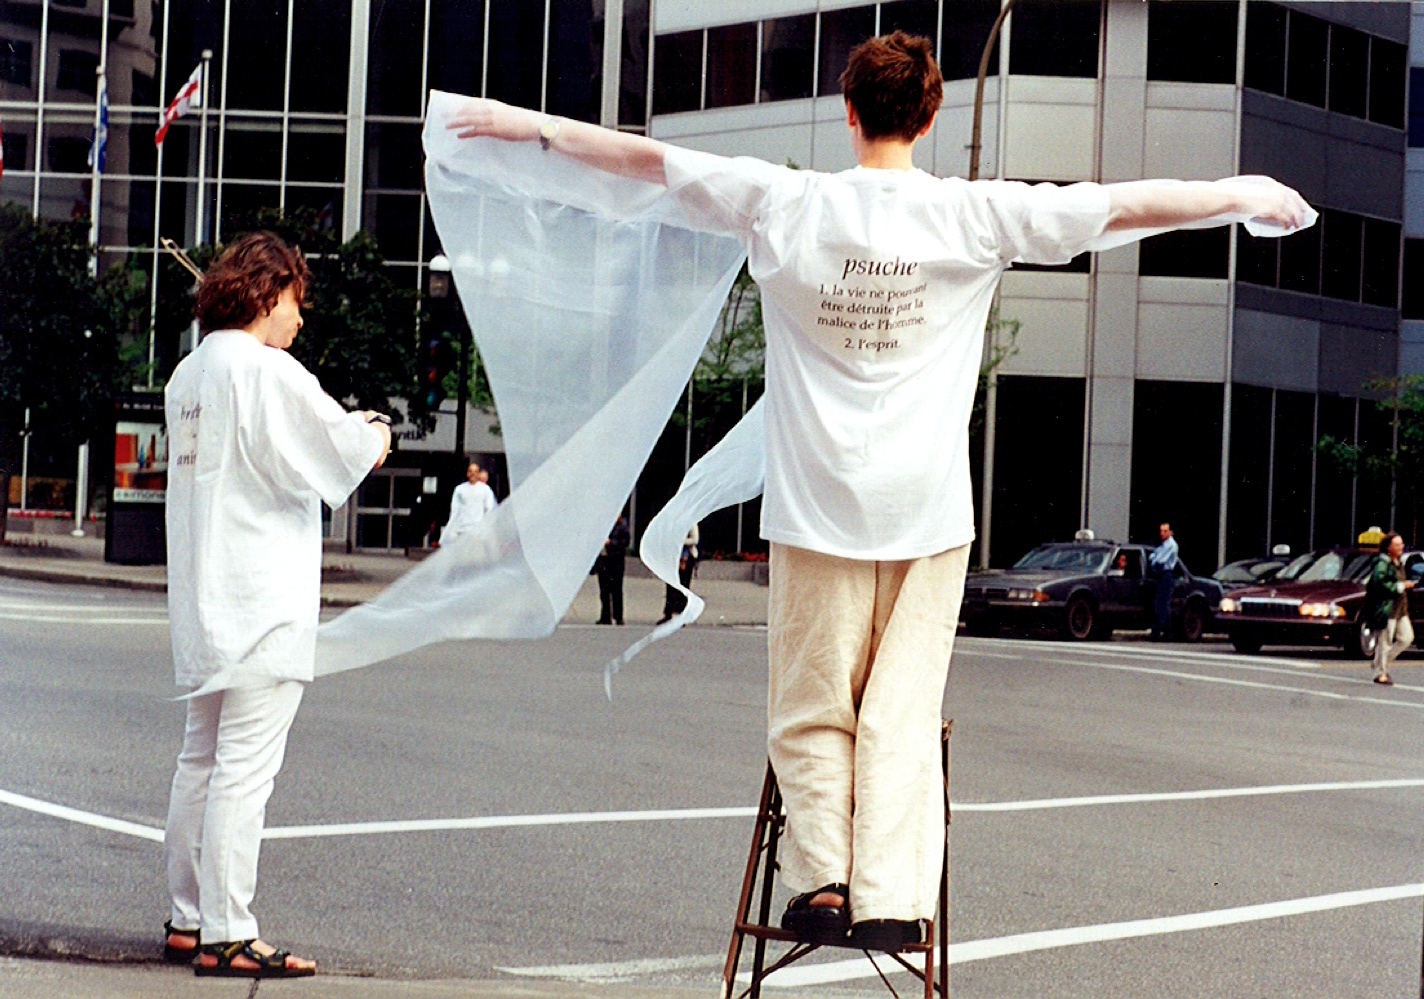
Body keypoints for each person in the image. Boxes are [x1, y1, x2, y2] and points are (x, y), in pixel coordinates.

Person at [448, 31, 1310, 949]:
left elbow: (647, 165)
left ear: (850, 112)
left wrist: (522, 126)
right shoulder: (973, 214)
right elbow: (1115, 207)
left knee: (814, 701)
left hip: (815, 503)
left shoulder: (786, 202)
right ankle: (892, 897)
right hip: (926, 511)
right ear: (929, 119)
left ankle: (821, 880)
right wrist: (1238, 195)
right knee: (900, 705)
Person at [161, 232, 391, 978]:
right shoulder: (267, 369)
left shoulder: (188, 374)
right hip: (262, 601)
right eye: (296, 300)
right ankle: (229, 931)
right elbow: (342, 451)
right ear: (266, 293)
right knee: (244, 769)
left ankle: (188, 918)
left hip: (206, 600)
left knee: (201, 759)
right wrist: (378, 430)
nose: (299, 317)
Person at [1365, 533, 1414, 686]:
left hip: (1400, 608)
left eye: (1401, 544)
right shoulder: (1382, 563)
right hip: (1387, 608)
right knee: (1384, 642)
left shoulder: (1398, 562)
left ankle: (1379, 663)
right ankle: (1380, 673)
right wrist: (1400, 586)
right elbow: (1378, 584)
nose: (1401, 547)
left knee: (1406, 638)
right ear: (1388, 547)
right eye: (1397, 545)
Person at [441, 456, 497, 543]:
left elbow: (489, 509)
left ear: (478, 474)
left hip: (478, 531)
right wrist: (451, 530)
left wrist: (485, 528)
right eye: (470, 471)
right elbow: (455, 511)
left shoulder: (485, 490)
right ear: (467, 473)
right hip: (462, 530)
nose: (473, 474)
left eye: (475, 471)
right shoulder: (459, 489)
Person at [658, 524, 700, 624]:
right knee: (670, 586)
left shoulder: (691, 524)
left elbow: (695, 540)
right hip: (672, 557)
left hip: (686, 558)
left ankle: (681, 615)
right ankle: (668, 613)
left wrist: (680, 540)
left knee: (683, 586)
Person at [596, 514, 630, 625]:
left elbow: (625, 542)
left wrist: (611, 543)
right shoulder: (603, 526)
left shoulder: (622, 526)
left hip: (616, 561)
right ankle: (605, 616)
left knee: (616, 589)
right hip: (604, 560)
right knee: (604, 590)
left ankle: (618, 616)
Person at [1148, 523, 1179, 641]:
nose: (1162, 533)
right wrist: (1154, 559)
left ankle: (1164, 633)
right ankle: (1162, 632)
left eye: (1165, 531)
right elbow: (1152, 557)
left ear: (1171, 532)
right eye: (1161, 531)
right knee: (1159, 604)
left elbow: (1159, 560)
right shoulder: (1162, 545)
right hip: (1160, 575)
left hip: (1166, 575)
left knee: (1163, 605)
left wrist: (1154, 559)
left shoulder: (1171, 545)